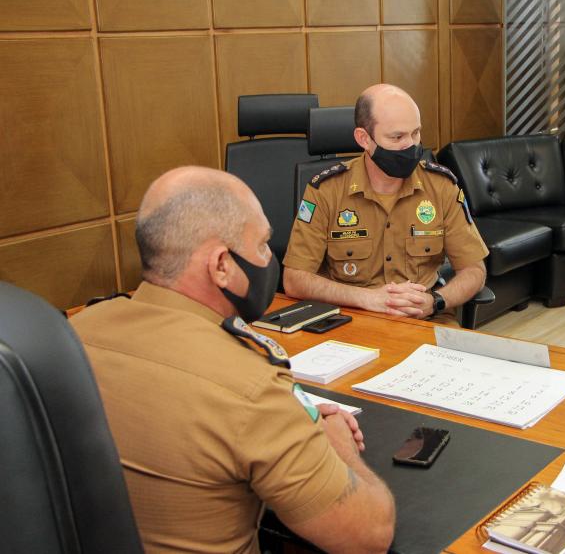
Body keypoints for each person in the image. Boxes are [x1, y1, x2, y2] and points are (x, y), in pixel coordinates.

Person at [70, 167, 395, 553]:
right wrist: (338, 449)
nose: (267, 261)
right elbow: (369, 536)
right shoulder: (251, 389)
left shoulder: (73, 333)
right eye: (261, 246)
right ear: (222, 265)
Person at [283, 84, 488, 324]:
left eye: (416, 133)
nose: (410, 146)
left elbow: (475, 271)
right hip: (351, 320)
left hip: (425, 320)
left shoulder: (441, 186)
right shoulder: (326, 191)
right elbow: (294, 279)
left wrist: (436, 301)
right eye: (397, 137)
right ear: (364, 138)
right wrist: (367, 298)